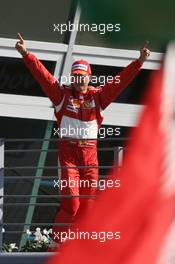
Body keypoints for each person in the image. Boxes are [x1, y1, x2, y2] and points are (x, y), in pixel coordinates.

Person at [15, 33, 150, 245]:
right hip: (68, 154)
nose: (79, 80)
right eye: (75, 76)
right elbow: (44, 77)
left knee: (88, 207)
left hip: (90, 158)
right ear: (72, 77)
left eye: (82, 76)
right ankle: (55, 244)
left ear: (89, 77)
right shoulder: (61, 95)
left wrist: (139, 62)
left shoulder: (99, 97)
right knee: (72, 205)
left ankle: (79, 245)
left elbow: (120, 82)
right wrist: (26, 54)